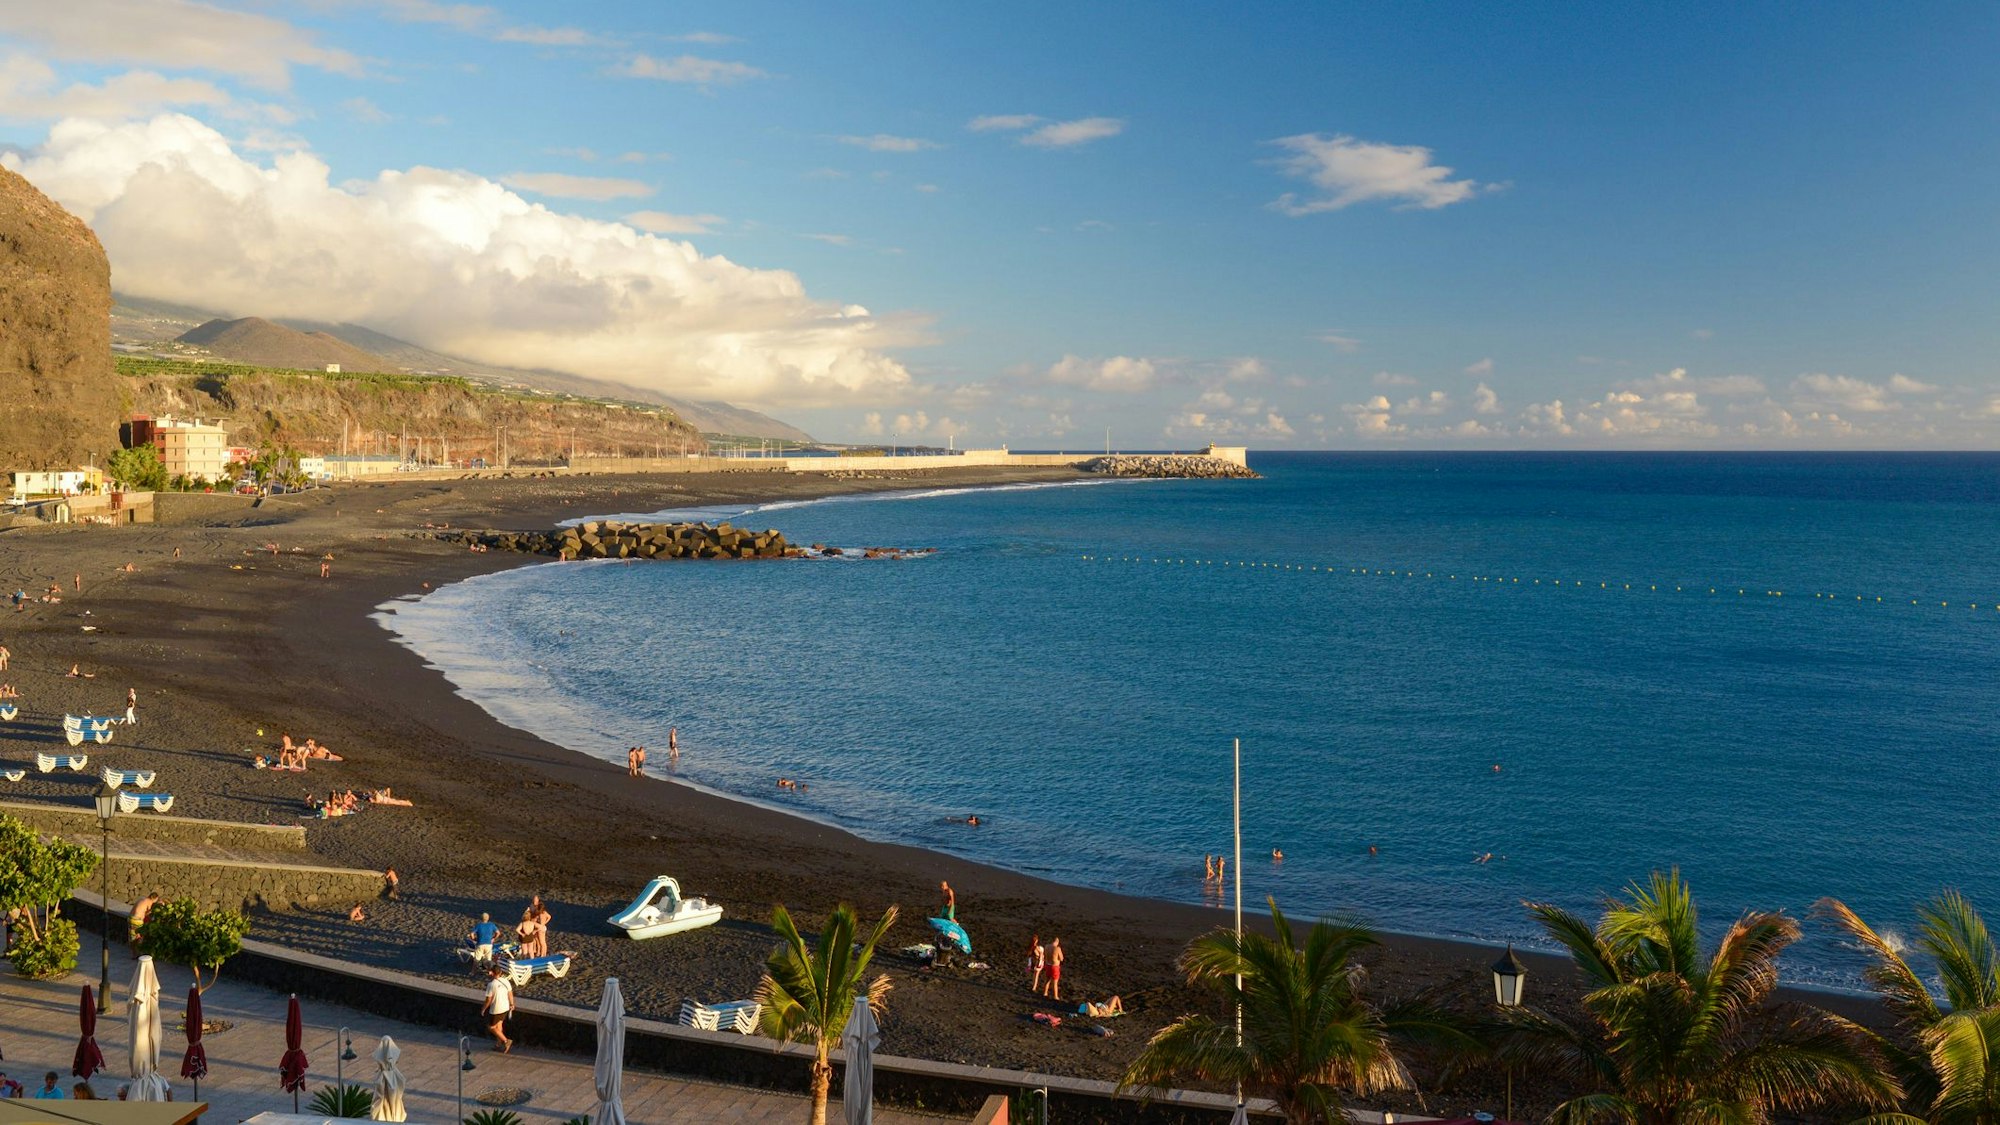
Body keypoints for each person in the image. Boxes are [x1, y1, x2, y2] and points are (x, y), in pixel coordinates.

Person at [480, 967, 514, 1053]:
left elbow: (488, 1000)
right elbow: (510, 993)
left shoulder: (491, 985)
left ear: (492, 973)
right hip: (505, 1007)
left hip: (496, 1009)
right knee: (499, 1026)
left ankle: (506, 1041)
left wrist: (483, 1009)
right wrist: (512, 1004)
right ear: (501, 972)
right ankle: (498, 1044)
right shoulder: (506, 981)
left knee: (491, 1027)